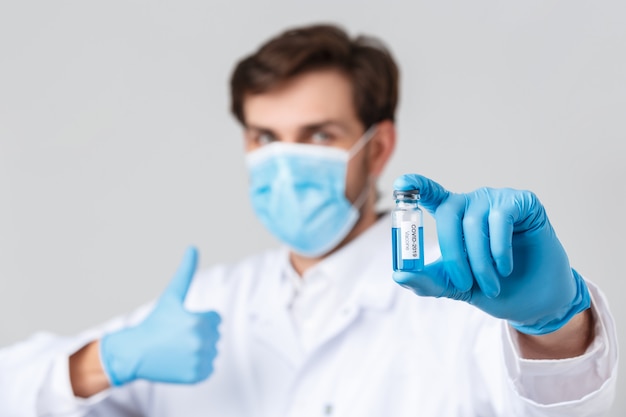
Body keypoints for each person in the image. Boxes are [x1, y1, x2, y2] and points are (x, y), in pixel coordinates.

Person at [0, 23, 618, 417]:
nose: (285, 163)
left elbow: (563, 406)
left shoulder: (465, 294)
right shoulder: (211, 303)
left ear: (377, 148)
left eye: (317, 135)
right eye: (265, 137)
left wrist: (552, 325)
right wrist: (105, 360)